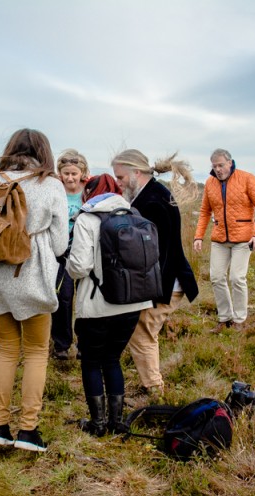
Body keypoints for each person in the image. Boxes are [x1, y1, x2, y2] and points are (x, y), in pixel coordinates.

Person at [0, 128, 69, 452]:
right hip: (30, 276)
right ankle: (27, 431)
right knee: (36, 352)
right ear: (44, 152)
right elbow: (62, 244)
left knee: (7, 349)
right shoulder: (50, 185)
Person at [67, 174, 153, 436]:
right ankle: (116, 422)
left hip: (97, 305)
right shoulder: (135, 214)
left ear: (89, 193)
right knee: (113, 359)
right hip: (132, 302)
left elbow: (80, 266)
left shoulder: (87, 218)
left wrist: (68, 266)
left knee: (92, 362)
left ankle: (98, 424)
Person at [110, 149, 199, 397]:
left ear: (136, 172)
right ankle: (152, 385)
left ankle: (155, 390)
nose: (118, 183)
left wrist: (155, 290)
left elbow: (158, 251)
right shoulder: (149, 194)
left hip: (165, 281)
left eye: (121, 177)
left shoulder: (153, 202)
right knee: (144, 331)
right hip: (162, 279)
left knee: (142, 332)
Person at [193, 149, 255, 333]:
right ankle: (225, 318)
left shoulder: (247, 178)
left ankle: (239, 320)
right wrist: (198, 236)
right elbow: (205, 212)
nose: (218, 169)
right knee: (217, 277)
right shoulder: (210, 183)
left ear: (230, 162)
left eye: (220, 165)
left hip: (244, 239)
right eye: (214, 166)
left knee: (237, 278)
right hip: (219, 239)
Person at [51, 149, 89, 360]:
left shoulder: (88, 192)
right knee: (63, 298)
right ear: (60, 173)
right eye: (66, 173)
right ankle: (61, 345)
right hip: (61, 253)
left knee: (84, 300)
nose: (70, 177)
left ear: (82, 172)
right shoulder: (56, 192)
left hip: (83, 251)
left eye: (74, 173)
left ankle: (84, 343)